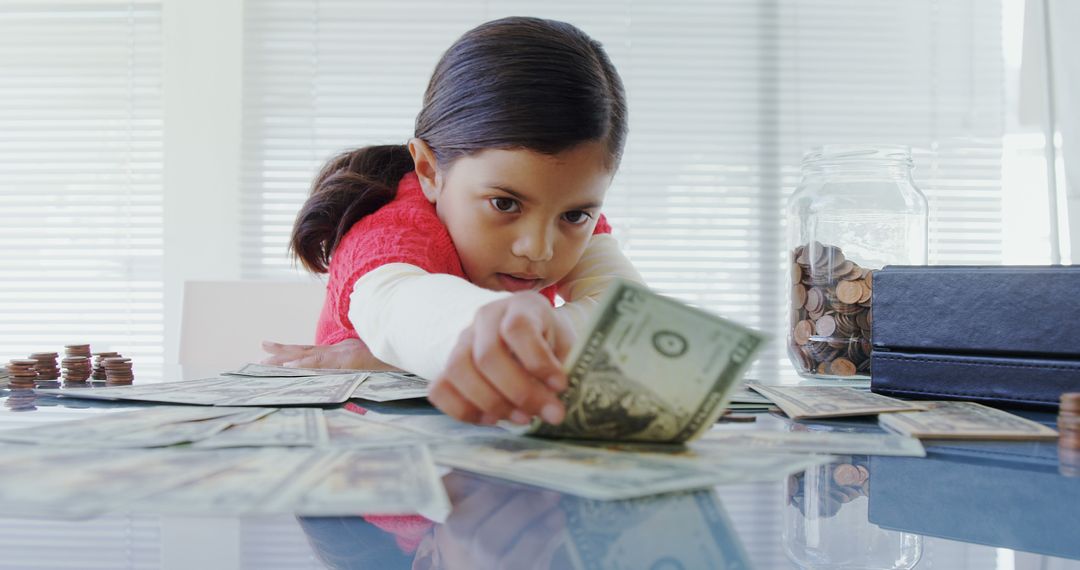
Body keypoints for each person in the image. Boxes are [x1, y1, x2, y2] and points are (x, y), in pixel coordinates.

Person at [263, 16, 644, 427]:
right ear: (429, 170)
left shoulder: (558, 198)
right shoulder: (387, 233)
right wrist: (498, 338)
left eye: (575, 215)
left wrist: (396, 362)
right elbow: (400, 307)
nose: (538, 247)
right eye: (504, 204)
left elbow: (634, 320)